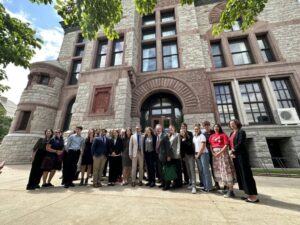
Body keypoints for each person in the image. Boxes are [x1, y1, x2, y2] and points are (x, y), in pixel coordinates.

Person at [229, 119, 259, 203]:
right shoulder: (232, 133)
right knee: (240, 174)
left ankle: (253, 196)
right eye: (230, 124)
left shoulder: (241, 132)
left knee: (246, 174)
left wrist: (233, 150)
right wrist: (231, 152)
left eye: (233, 123)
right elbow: (230, 144)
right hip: (235, 156)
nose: (232, 125)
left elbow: (240, 143)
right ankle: (247, 193)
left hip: (242, 156)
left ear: (237, 124)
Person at [209, 124, 236, 198]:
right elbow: (210, 145)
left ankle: (231, 191)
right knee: (220, 172)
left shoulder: (223, 135)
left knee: (226, 171)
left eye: (217, 127)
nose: (216, 128)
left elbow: (226, 144)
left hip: (223, 155)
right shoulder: (211, 136)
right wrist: (213, 153)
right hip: (215, 156)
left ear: (219, 128)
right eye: (214, 127)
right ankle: (227, 188)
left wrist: (219, 152)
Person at [193, 124, 213, 192]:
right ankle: (205, 186)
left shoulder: (202, 136)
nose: (196, 130)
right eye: (195, 129)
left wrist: (198, 155)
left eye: (197, 129)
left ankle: (209, 187)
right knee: (201, 171)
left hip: (203, 154)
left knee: (206, 171)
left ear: (200, 129)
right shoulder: (194, 137)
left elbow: (202, 147)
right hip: (197, 154)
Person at [202, 121, 219, 190]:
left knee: (216, 168)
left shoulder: (213, 132)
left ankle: (223, 183)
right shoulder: (203, 134)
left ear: (209, 125)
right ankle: (216, 183)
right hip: (207, 153)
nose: (206, 127)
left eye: (207, 125)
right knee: (210, 169)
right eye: (205, 125)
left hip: (214, 152)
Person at [180, 128, 196, 194]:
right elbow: (182, 149)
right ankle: (191, 183)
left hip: (190, 155)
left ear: (185, 132)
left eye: (183, 131)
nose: (182, 133)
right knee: (188, 170)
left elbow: (190, 146)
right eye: (181, 132)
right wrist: (182, 156)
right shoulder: (181, 139)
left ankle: (194, 186)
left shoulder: (189, 137)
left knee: (192, 170)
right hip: (185, 157)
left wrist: (185, 140)